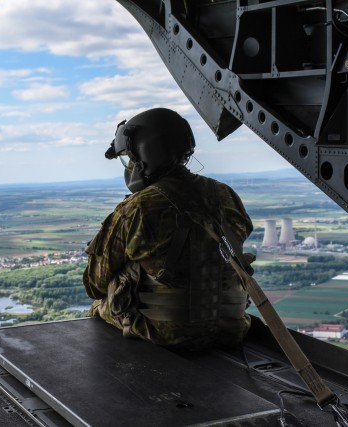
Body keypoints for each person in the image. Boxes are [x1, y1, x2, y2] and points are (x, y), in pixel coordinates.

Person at [83, 108, 253, 349]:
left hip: (166, 333)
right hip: (231, 327)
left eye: (130, 158)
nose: (129, 166)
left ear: (145, 155)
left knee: (101, 303)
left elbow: (94, 283)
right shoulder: (225, 194)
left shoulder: (138, 208)